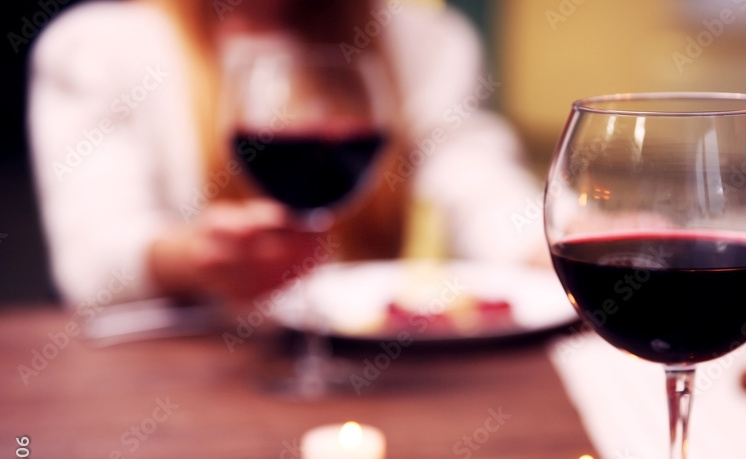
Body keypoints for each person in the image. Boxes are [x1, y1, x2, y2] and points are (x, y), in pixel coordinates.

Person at [27, 0, 545, 308]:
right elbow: (93, 260)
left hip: (378, 378)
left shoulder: (424, 37)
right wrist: (195, 258)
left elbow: (474, 176)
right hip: (183, 388)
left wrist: (544, 247)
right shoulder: (97, 46)